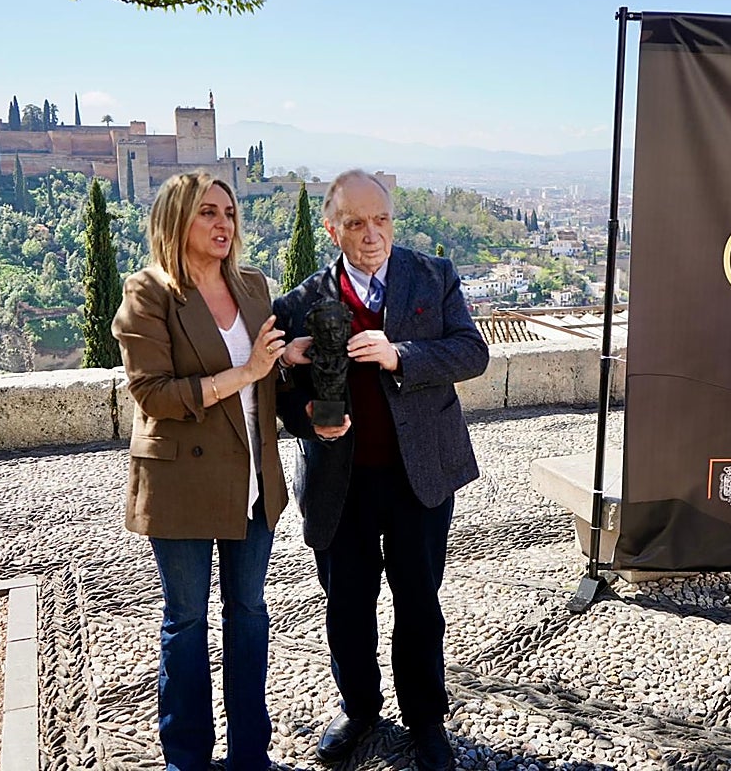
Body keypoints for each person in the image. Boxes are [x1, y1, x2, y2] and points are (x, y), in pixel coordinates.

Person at [273, 169, 489, 771]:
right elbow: (280, 390)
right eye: (356, 223)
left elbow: (472, 352)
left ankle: (426, 721)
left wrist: (402, 356)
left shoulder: (435, 276)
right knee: (346, 602)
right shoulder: (300, 303)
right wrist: (308, 417)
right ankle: (360, 708)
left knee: (419, 601)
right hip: (340, 482)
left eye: (381, 220)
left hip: (418, 476)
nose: (372, 235)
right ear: (332, 228)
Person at [112, 170, 290, 771]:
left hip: (252, 480)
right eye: (207, 212)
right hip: (182, 480)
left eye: (229, 213)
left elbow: (269, 378)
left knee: (249, 616)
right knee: (186, 622)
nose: (223, 224)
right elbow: (152, 394)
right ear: (177, 220)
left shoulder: (254, 286)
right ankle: (186, 759)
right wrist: (243, 374)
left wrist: (292, 368)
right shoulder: (148, 293)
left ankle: (250, 756)